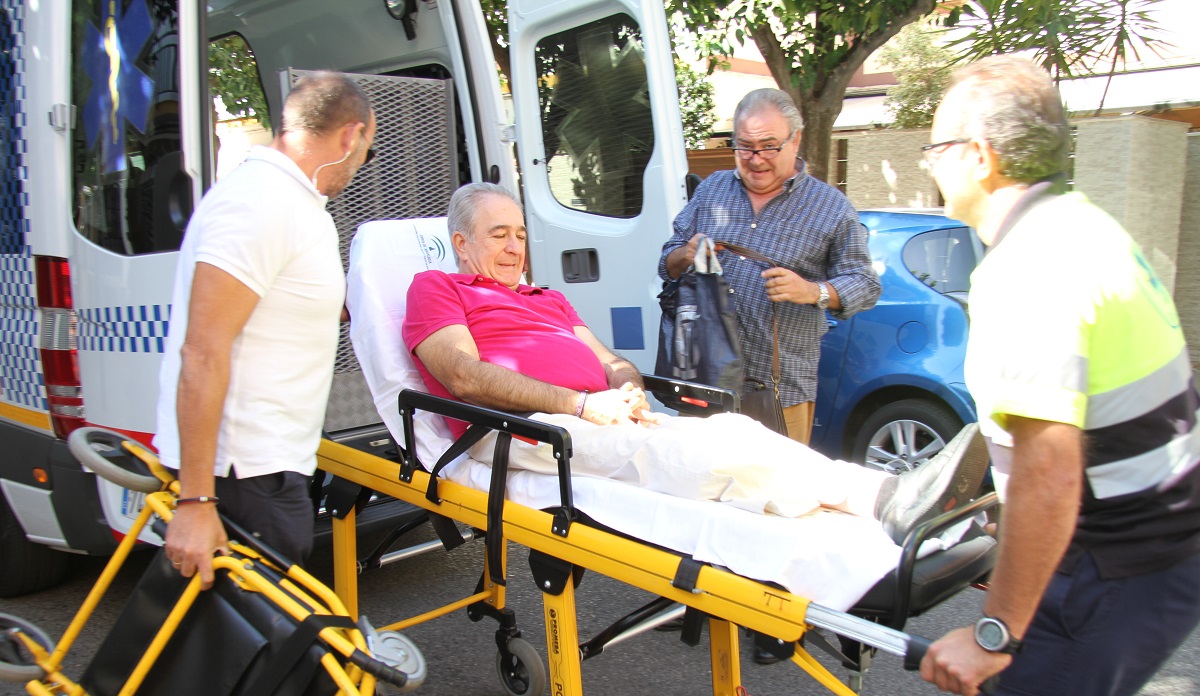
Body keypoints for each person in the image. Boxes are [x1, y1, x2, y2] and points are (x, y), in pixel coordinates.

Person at [402, 181, 988, 559]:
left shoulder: (546, 298)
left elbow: (611, 360)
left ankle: (890, 498)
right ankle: (884, 504)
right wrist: (581, 405)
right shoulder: (437, 288)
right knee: (692, 460)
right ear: (461, 242)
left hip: (594, 418)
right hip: (521, 430)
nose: (514, 248)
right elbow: (465, 377)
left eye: (521, 235)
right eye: (498, 235)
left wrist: (626, 389)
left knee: (735, 434)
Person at [917, 55, 1200, 696]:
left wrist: (995, 634)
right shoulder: (1087, 228)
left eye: (937, 148)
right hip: (1161, 550)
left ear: (978, 156)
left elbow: (1050, 476)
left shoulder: (1028, 268)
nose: (933, 165)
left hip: (1113, 563)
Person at [154, 72, 376, 589]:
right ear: (350, 135)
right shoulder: (259, 203)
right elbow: (202, 351)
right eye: (365, 149)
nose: (360, 165)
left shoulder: (297, 202)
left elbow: (285, 303)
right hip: (241, 478)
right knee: (249, 655)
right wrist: (195, 501)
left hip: (267, 468)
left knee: (240, 652)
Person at [659, 88, 880, 444]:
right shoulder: (712, 189)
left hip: (780, 392)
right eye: (744, 146)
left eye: (769, 146)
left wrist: (812, 291)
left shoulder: (831, 207)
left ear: (796, 140)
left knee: (775, 497)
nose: (756, 158)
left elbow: (866, 283)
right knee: (698, 490)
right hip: (705, 382)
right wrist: (686, 253)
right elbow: (666, 262)